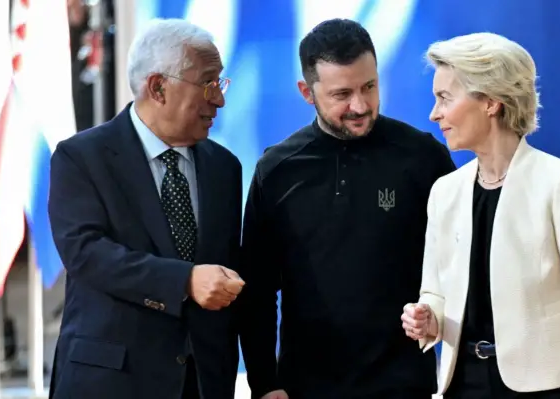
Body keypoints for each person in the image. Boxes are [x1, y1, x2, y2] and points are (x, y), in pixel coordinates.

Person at [238, 18, 456, 399]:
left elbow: (459, 264)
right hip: (305, 387)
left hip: (404, 384)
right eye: (342, 94)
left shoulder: (422, 156)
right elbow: (256, 290)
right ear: (307, 92)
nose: (360, 105)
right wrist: (264, 384)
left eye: (369, 87)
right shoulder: (277, 170)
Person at [401, 32, 560, 398]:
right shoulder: (445, 192)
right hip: (462, 384)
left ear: (490, 102)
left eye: (444, 98)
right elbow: (435, 292)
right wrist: (426, 319)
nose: (434, 113)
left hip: (547, 386)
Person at [48, 18, 245, 399]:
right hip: (111, 382)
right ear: (158, 87)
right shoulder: (81, 158)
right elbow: (86, 254)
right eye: (208, 83)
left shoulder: (225, 168)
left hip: (202, 384)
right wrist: (184, 280)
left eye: (220, 83)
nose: (219, 99)